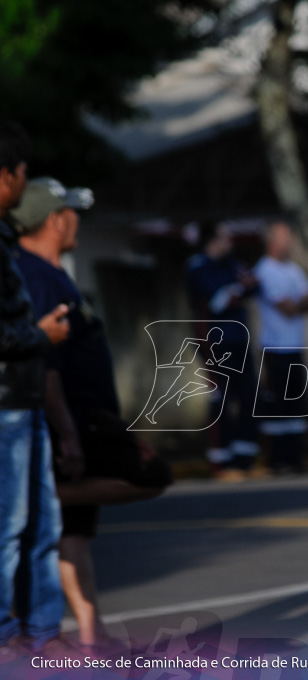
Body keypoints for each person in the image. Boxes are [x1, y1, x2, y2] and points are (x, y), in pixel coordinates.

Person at [12, 177, 173, 651]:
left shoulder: (51, 271)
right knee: (148, 474)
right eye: (70, 211)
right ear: (53, 220)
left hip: (86, 417)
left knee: (76, 529)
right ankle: (40, 498)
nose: (76, 219)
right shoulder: (33, 275)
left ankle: (90, 636)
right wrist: (66, 434)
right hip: (71, 421)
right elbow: (46, 365)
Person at [0, 123, 72, 657]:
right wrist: (39, 335)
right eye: (22, 173)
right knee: (8, 530)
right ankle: (7, 638)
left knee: (41, 528)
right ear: (6, 176)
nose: (23, 182)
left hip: (22, 403)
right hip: (5, 406)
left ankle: (45, 638)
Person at [185, 220, 260, 477]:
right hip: (215, 343)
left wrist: (237, 289)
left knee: (248, 396)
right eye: (225, 237)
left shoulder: (232, 265)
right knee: (221, 400)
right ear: (212, 240)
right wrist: (238, 289)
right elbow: (217, 301)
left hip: (240, 339)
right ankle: (221, 462)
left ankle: (243, 460)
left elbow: (253, 286)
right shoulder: (199, 267)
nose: (230, 242)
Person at [253, 221, 308, 473]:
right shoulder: (264, 271)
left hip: (294, 346)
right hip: (275, 348)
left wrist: (297, 304)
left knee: (295, 402)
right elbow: (287, 308)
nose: (289, 243)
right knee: (277, 404)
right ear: (272, 241)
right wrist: (298, 304)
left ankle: (295, 457)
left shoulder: (293, 270)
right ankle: (276, 459)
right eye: (284, 238)